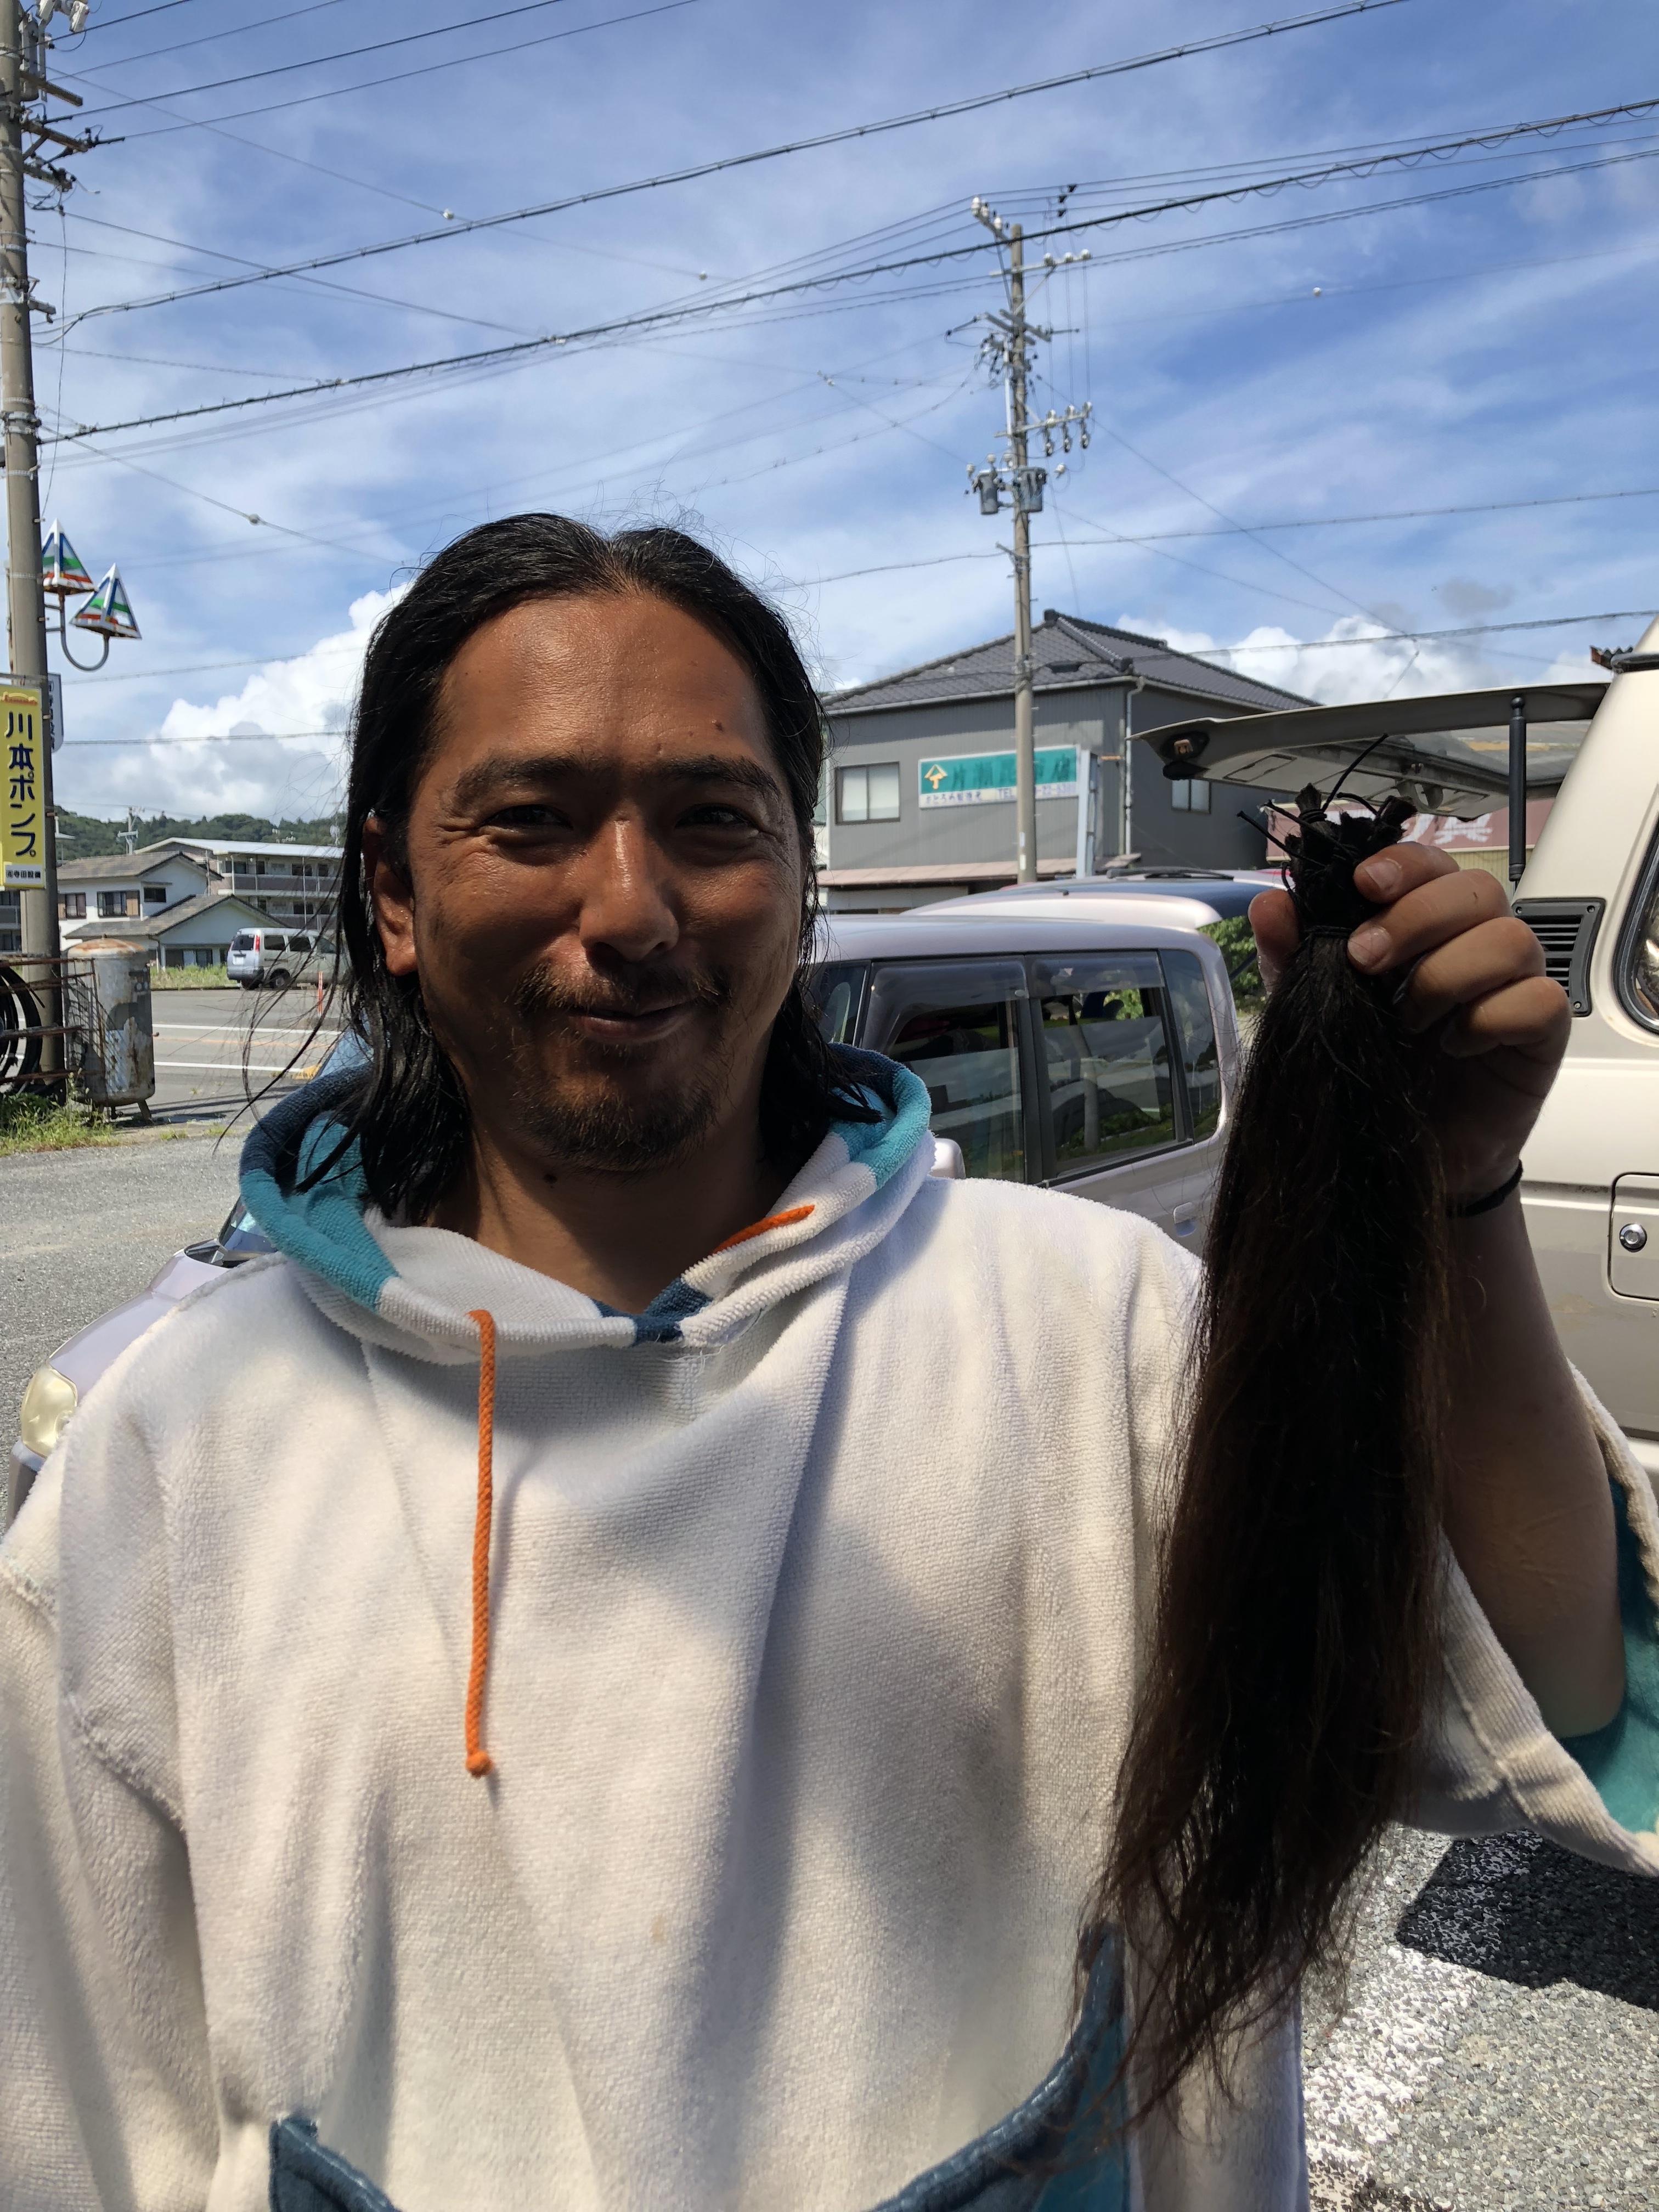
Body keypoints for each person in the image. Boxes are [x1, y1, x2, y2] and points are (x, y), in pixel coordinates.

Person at [2, 515, 1654, 2212]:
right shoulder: (178, 1459)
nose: (629, 906)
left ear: (801, 881)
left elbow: (1558, 1686)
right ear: (395, 895)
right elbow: (66, 2122)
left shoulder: (1093, 1333)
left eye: (713, 821)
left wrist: (1454, 1193)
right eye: (532, 821)